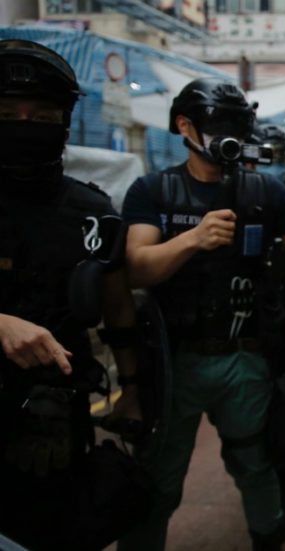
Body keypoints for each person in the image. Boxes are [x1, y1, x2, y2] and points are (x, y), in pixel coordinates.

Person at [119, 77, 285, 550]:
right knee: (159, 476)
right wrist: (191, 240)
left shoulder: (265, 191)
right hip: (175, 362)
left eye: (239, 126)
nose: (231, 137)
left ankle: (268, 539)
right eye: (220, 126)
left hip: (244, 358)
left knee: (255, 466)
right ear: (185, 126)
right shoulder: (153, 192)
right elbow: (136, 268)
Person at [0, 39, 144, 550]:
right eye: (8, 113)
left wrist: (130, 388)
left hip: (55, 419)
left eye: (41, 116)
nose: (23, 125)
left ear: (63, 124)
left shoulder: (93, 212)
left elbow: (118, 304)